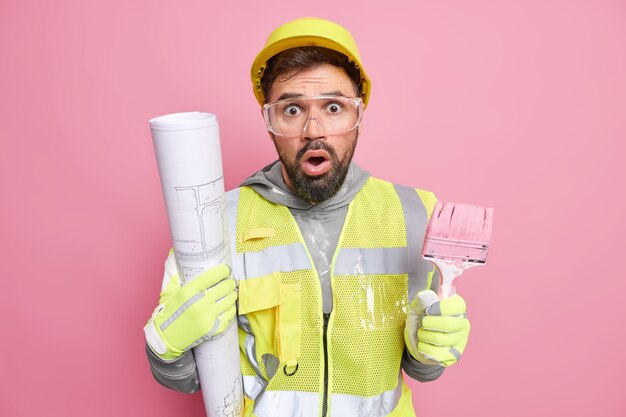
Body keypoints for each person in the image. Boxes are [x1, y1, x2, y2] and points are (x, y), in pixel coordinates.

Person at [144, 17, 471, 417]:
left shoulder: (414, 213)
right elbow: (186, 378)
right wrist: (165, 349)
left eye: (333, 107)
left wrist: (431, 349)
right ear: (269, 123)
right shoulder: (215, 222)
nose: (313, 130)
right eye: (292, 109)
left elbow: (421, 369)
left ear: (359, 116)